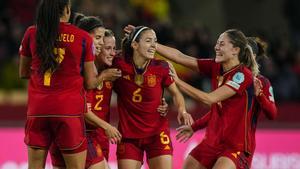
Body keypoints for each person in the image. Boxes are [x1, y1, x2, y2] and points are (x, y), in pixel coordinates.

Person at [152, 28, 259, 169]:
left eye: (221, 44)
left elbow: (209, 99)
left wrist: (177, 81)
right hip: (214, 142)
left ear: (235, 50)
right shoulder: (215, 66)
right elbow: (180, 57)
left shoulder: (242, 75)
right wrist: (152, 44)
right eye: (217, 43)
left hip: (236, 146)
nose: (216, 47)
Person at [18, 0, 106, 168]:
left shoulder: (31, 33)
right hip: (68, 112)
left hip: (38, 111)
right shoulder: (83, 38)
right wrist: (104, 76)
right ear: (66, 10)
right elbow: (90, 83)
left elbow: (23, 73)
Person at [175, 36, 278, 169]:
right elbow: (217, 111)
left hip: (239, 145)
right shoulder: (227, 74)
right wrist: (194, 127)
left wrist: (261, 96)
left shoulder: (261, 82)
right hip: (215, 141)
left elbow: (273, 114)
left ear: (253, 56)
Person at [113, 26, 194, 169]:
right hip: (128, 136)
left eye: (155, 41)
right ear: (135, 44)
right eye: (148, 41)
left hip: (157, 134)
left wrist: (182, 110)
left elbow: (176, 93)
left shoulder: (161, 67)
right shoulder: (118, 63)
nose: (153, 46)